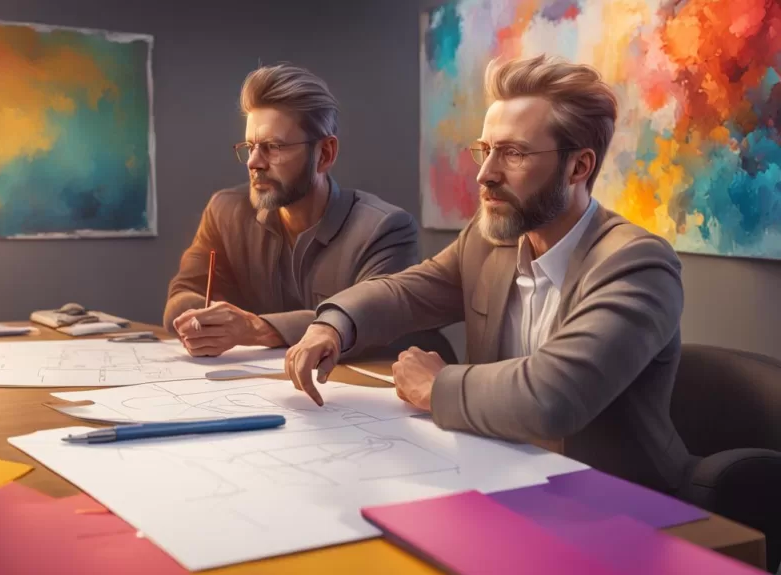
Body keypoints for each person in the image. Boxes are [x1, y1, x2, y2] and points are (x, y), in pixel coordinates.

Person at [284, 54, 693, 493]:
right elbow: (404, 292)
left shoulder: (637, 265)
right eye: (485, 150)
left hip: (622, 502)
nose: (485, 174)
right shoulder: (488, 242)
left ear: (579, 167)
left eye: (512, 153)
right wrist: (333, 325)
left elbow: (553, 397)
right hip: (503, 477)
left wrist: (437, 385)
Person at [164, 64, 419, 357]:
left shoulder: (385, 229)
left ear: (325, 154)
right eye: (250, 146)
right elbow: (180, 296)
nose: (253, 162)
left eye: (273, 146)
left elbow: (372, 322)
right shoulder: (225, 212)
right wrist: (202, 319)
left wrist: (255, 328)